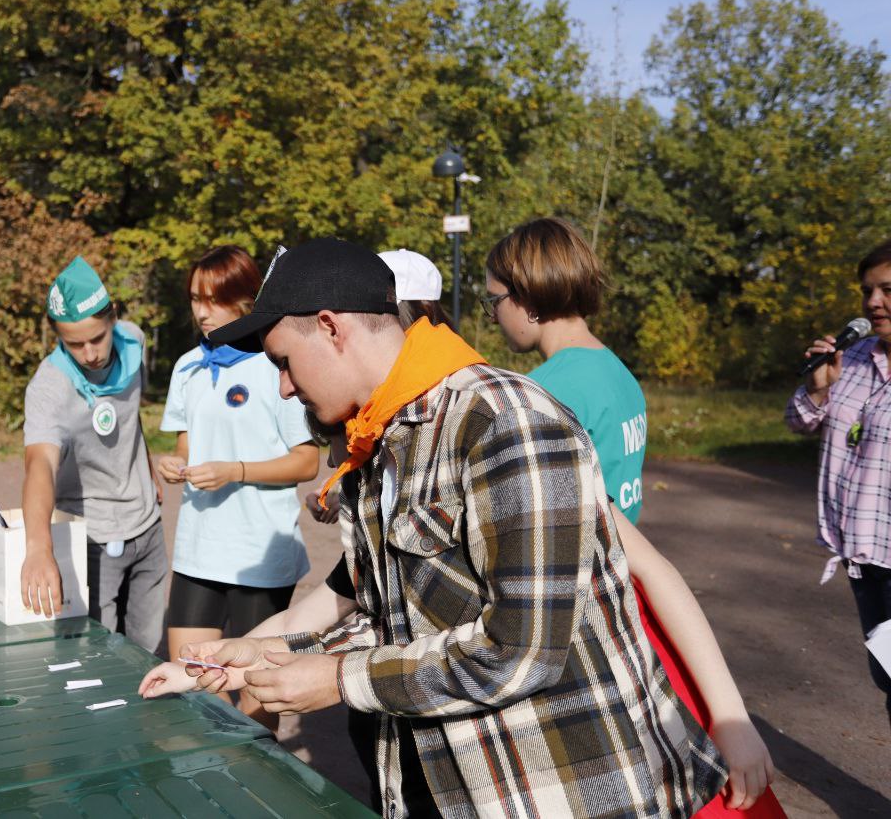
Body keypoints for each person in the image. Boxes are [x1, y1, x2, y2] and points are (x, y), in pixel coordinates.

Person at [189, 237, 725, 817]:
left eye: (283, 363)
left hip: (566, 791)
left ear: (330, 327)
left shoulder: (506, 422)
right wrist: (261, 654)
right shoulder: (381, 442)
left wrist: (341, 680)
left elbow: (522, 652)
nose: (284, 388)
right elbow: (394, 622)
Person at [485, 217, 779, 815]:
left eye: (495, 300)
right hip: (631, 597)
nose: (494, 314)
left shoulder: (543, 393)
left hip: (585, 610)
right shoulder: (616, 370)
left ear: (527, 299)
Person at [154, 246, 318, 720]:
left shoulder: (276, 363)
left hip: (259, 553)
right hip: (198, 548)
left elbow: (306, 462)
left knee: (256, 699)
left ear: (246, 299)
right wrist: (175, 463)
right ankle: (210, 779)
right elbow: (187, 446)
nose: (202, 311)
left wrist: (236, 471)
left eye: (214, 299)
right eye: (194, 298)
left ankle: (254, 784)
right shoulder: (187, 366)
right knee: (192, 681)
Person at [19, 256, 168, 654]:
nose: (89, 354)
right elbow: (39, 466)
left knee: (150, 652)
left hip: (147, 527)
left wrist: (148, 472)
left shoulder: (133, 340)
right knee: (99, 656)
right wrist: (38, 548)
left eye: (96, 339)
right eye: (74, 344)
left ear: (114, 317)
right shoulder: (49, 388)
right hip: (93, 536)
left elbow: (129, 417)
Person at [787, 239, 891, 732]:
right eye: (868, 291)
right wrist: (819, 386)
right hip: (863, 557)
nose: (873, 303)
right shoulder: (853, 358)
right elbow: (800, 421)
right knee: (889, 681)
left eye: (888, 290)